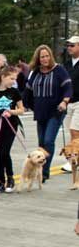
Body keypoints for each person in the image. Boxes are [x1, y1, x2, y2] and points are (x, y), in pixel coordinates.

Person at [22, 44, 73, 182]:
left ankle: (45, 172)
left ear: (50, 56)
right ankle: (39, 170)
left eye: (46, 56)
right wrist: (24, 105)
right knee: (41, 142)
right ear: (38, 59)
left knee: (48, 140)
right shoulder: (36, 72)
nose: (44, 59)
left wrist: (64, 101)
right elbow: (27, 91)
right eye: (41, 57)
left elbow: (68, 88)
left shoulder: (59, 70)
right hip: (40, 112)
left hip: (56, 111)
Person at [62, 36, 79, 173]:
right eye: (68, 45)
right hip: (69, 102)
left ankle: (72, 161)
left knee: (75, 132)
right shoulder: (66, 64)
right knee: (72, 132)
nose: (69, 48)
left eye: (72, 45)